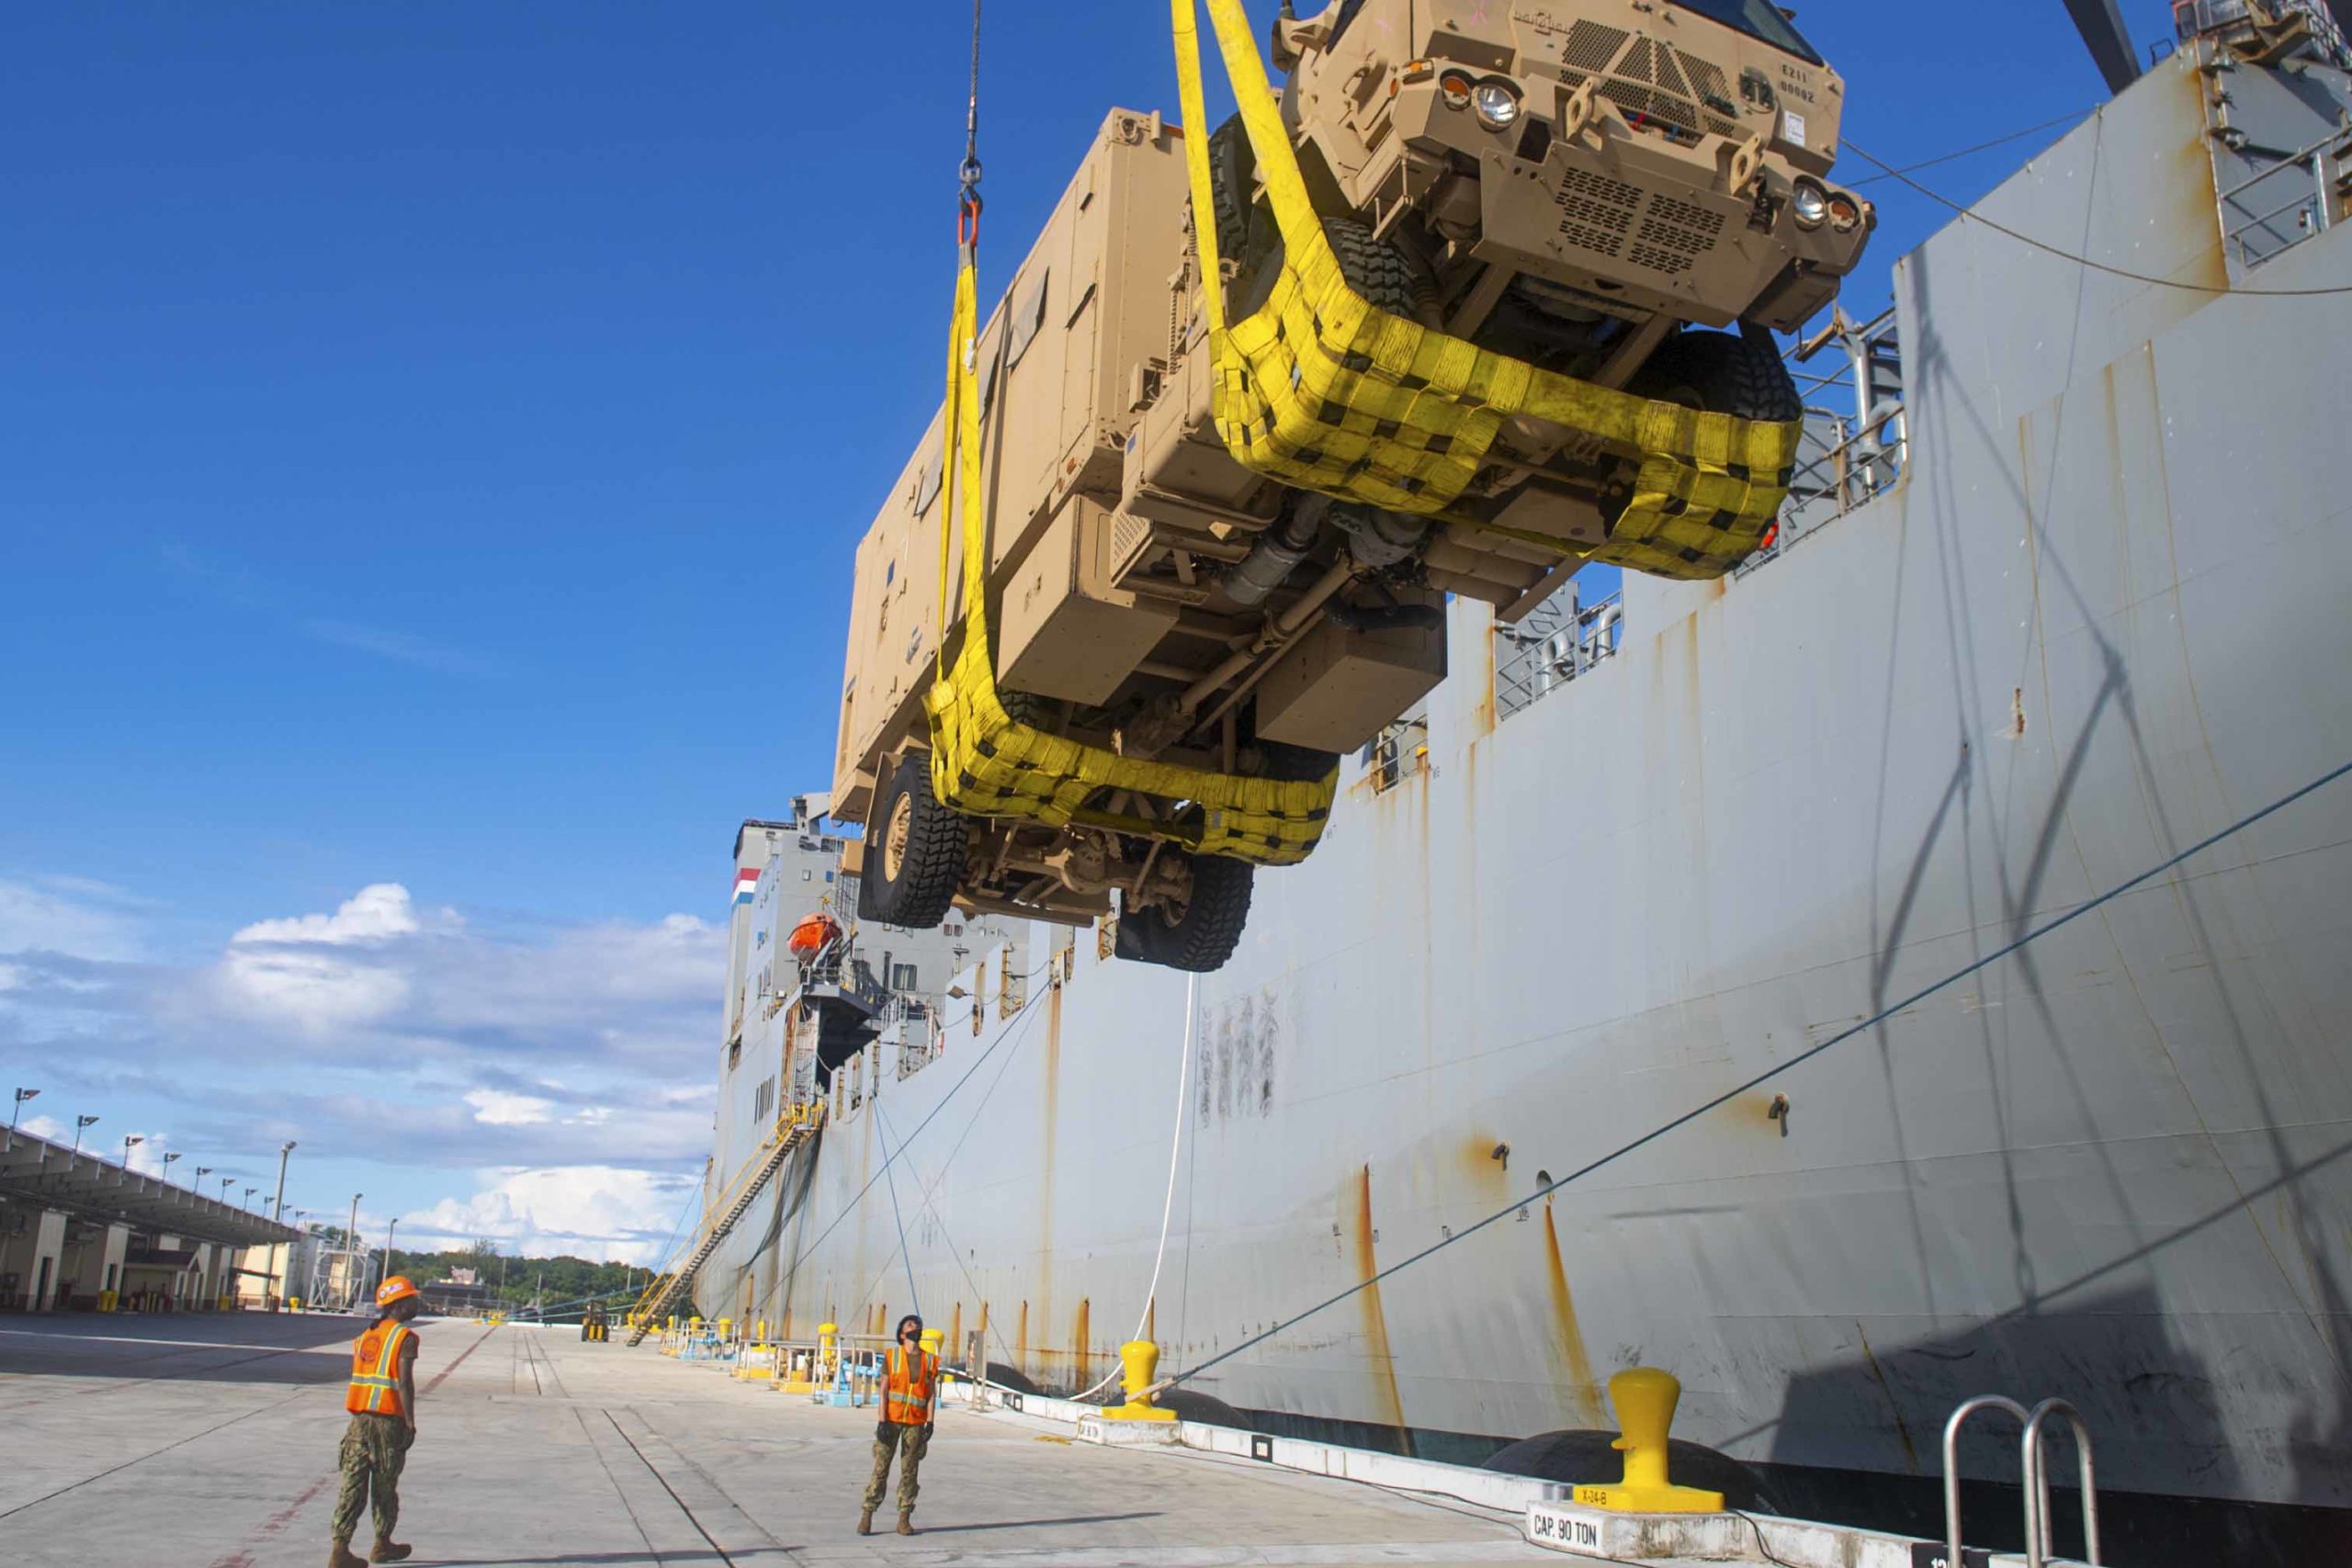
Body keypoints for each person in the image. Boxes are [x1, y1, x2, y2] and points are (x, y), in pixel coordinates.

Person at [329, 1275, 424, 1568]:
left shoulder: (365, 1336)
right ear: (399, 1304)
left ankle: (340, 1548)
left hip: (359, 1421)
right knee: (384, 1484)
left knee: (352, 1484)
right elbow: (404, 1383)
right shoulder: (404, 1337)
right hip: (387, 1422)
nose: (416, 1302)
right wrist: (410, 1422)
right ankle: (382, 1544)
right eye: (412, 1299)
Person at [859, 1313, 939, 1536]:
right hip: (892, 1420)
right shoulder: (892, 1356)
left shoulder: (929, 1360)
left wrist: (930, 1421)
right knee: (881, 1468)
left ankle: (904, 1518)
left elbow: (931, 1393)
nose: (915, 1327)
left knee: (909, 1471)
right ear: (902, 1334)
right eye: (909, 1324)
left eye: (917, 1324)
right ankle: (867, 1514)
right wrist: (881, 1421)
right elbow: (884, 1391)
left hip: (915, 1421)